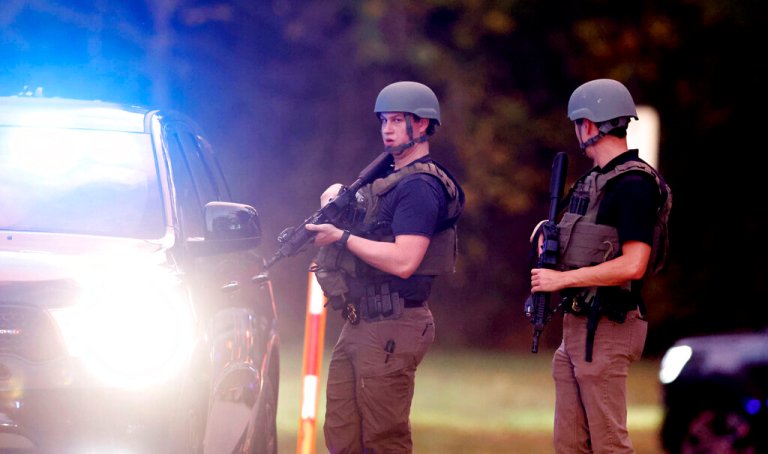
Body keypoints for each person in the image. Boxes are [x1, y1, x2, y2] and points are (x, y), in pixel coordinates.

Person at [305, 81, 464, 453]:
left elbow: (405, 260)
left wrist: (341, 237)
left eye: (397, 120)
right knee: (342, 434)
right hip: (360, 320)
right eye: (384, 121)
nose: (387, 129)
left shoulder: (421, 186)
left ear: (422, 126)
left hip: (395, 320)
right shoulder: (383, 180)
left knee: (383, 439)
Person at [529, 78, 672, 453]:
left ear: (589, 125)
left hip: (608, 327)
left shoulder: (634, 185)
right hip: (578, 326)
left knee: (609, 444)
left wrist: (561, 279)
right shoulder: (592, 182)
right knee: (570, 445)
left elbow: (634, 264)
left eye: (578, 123)